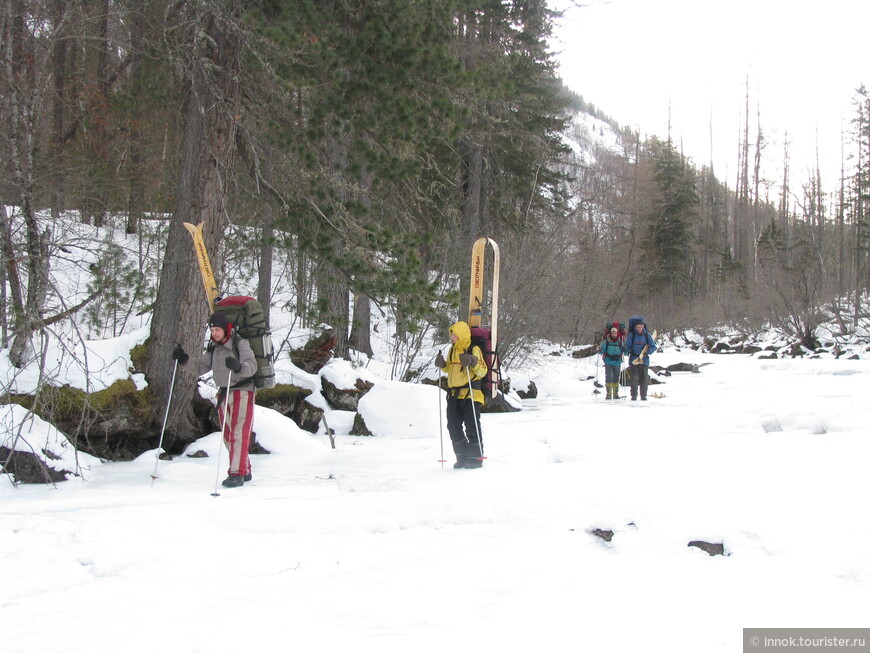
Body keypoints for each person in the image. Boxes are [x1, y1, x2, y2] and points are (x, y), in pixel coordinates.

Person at [173, 312, 258, 488]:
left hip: (242, 391)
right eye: (212, 330)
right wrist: (184, 359)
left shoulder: (240, 343)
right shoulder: (214, 347)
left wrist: (239, 367)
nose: (214, 333)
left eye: (217, 329)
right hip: (223, 393)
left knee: (238, 434)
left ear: (226, 329)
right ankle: (245, 469)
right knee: (227, 436)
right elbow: (201, 366)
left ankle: (236, 474)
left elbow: (252, 365)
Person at [434, 321, 488, 469]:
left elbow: (483, 371)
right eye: (451, 334)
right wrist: (443, 365)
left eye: (454, 334)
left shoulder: (473, 348)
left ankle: (476, 458)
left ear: (461, 335)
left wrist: (472, 360)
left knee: (472, 427)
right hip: (454, 395)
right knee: (453, 426)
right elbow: (450, 371)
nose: (452, 337)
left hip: (471, 394)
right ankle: (462, 456)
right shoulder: (452, 350)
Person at [623, 318, 657, 401]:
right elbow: (627, 346)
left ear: (643, 326)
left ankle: (643, 396)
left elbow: (653, 347)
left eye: (640, 326)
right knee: (634, 378)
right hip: (634, 359)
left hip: (644, 360)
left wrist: (647, 352)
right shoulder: (632, 335)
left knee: (644, 378)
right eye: (637, 327)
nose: (639, 328)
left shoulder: (647, 335)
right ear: (635, 327)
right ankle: (634, 396)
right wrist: (625, 350)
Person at [600, 325, 624, 400]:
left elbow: (624, 351)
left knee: (616, 379)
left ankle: (615, 394)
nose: (614, 334)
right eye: (612, 333)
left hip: (617, 362)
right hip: (608, 362)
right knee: (609, 378)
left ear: (617, 333)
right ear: (610, 333)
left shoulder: (620, 342)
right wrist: (599, 349)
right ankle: (609, 394)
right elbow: (601, 351)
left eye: (615, 333)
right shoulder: (605, 342)